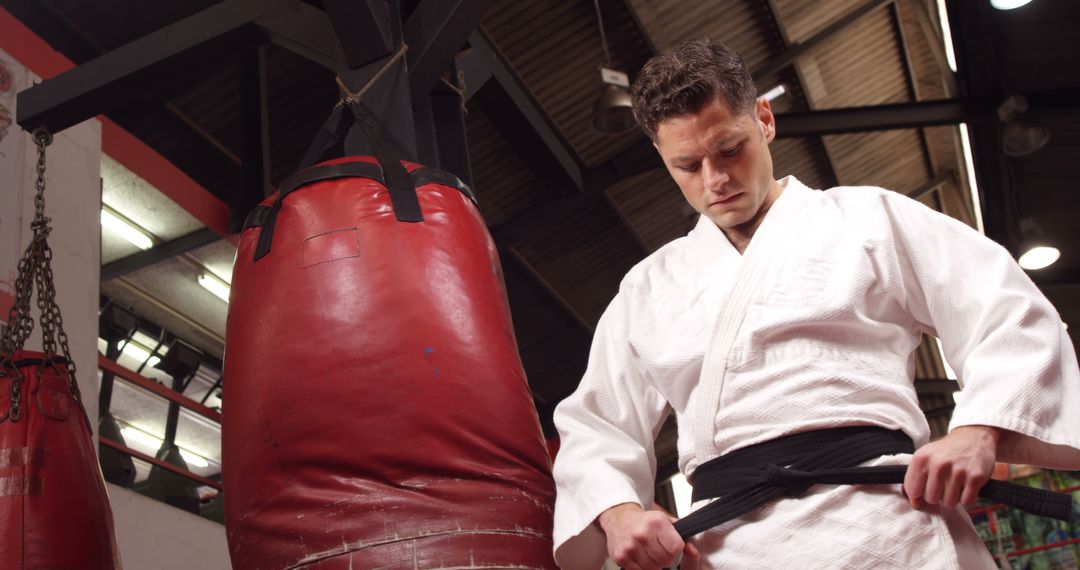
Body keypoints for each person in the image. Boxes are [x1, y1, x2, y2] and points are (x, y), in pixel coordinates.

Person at [550, 38, 1080, 570]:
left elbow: (1007, 310)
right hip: (734, 548)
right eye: (688, 165)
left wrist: (975, 432)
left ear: (764, 120)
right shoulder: (647, 288)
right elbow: (597, 424)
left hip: (894, 529)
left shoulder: (870, 220)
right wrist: (618, 512)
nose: (716, 180)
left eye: (730, 149)